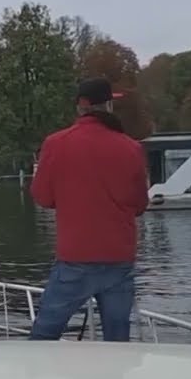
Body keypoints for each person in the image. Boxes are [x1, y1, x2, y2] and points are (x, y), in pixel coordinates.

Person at [28, 78, 148, 342]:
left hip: (75, 258)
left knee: (44, 335)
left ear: (80, 107)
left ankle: (34, 369)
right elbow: (140, 205)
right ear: (108, 106)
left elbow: (42, 197)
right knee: (118, 339)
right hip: (118, 259)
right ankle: (115, 370)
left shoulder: (56, 143)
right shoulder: (131, 148)